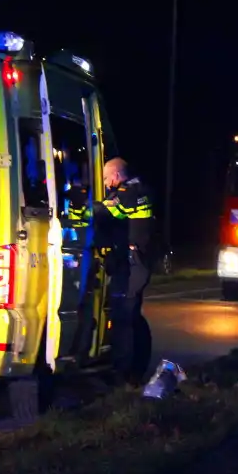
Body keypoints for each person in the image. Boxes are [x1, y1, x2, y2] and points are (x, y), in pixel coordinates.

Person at [100, 158, 156, 386]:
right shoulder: (137, 189)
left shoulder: (131, 193)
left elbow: (105, 212)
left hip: (135, 263)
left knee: (125, 315)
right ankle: (129, 369)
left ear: (115, 175)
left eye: (105, 178)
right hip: (135, 261)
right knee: (129, 315)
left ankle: (125, 374)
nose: (105, 183)